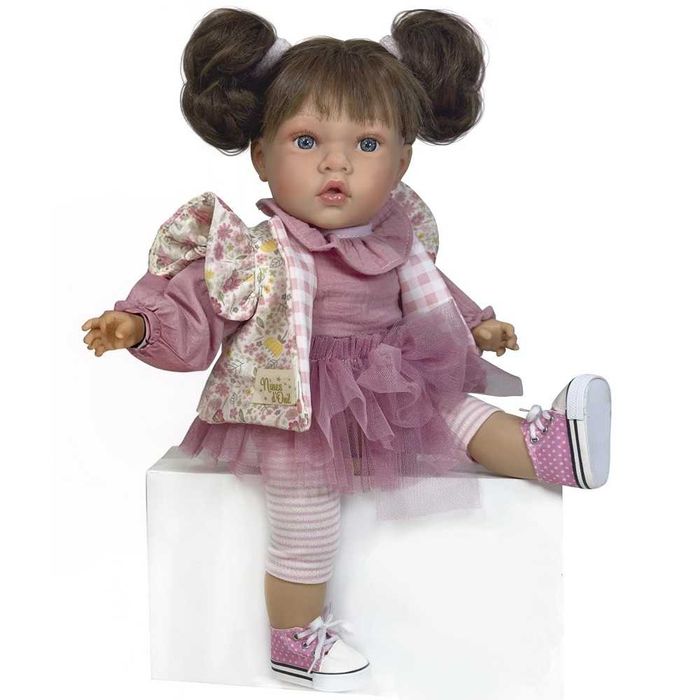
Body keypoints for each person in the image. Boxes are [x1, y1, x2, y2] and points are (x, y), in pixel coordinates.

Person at [81, 8, 611, 692]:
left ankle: (549, 451)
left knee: (459, 413)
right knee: (306, 517)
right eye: (306, 141)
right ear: (261, 156)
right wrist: (139, 325)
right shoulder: (256, 253)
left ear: (402, 161)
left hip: (392, 378)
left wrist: (475, 325)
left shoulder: (395, 241)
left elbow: (434, 294)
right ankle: (294, 638)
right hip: (293, 402)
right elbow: (201, 304)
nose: (336, 162)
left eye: (366, 143)